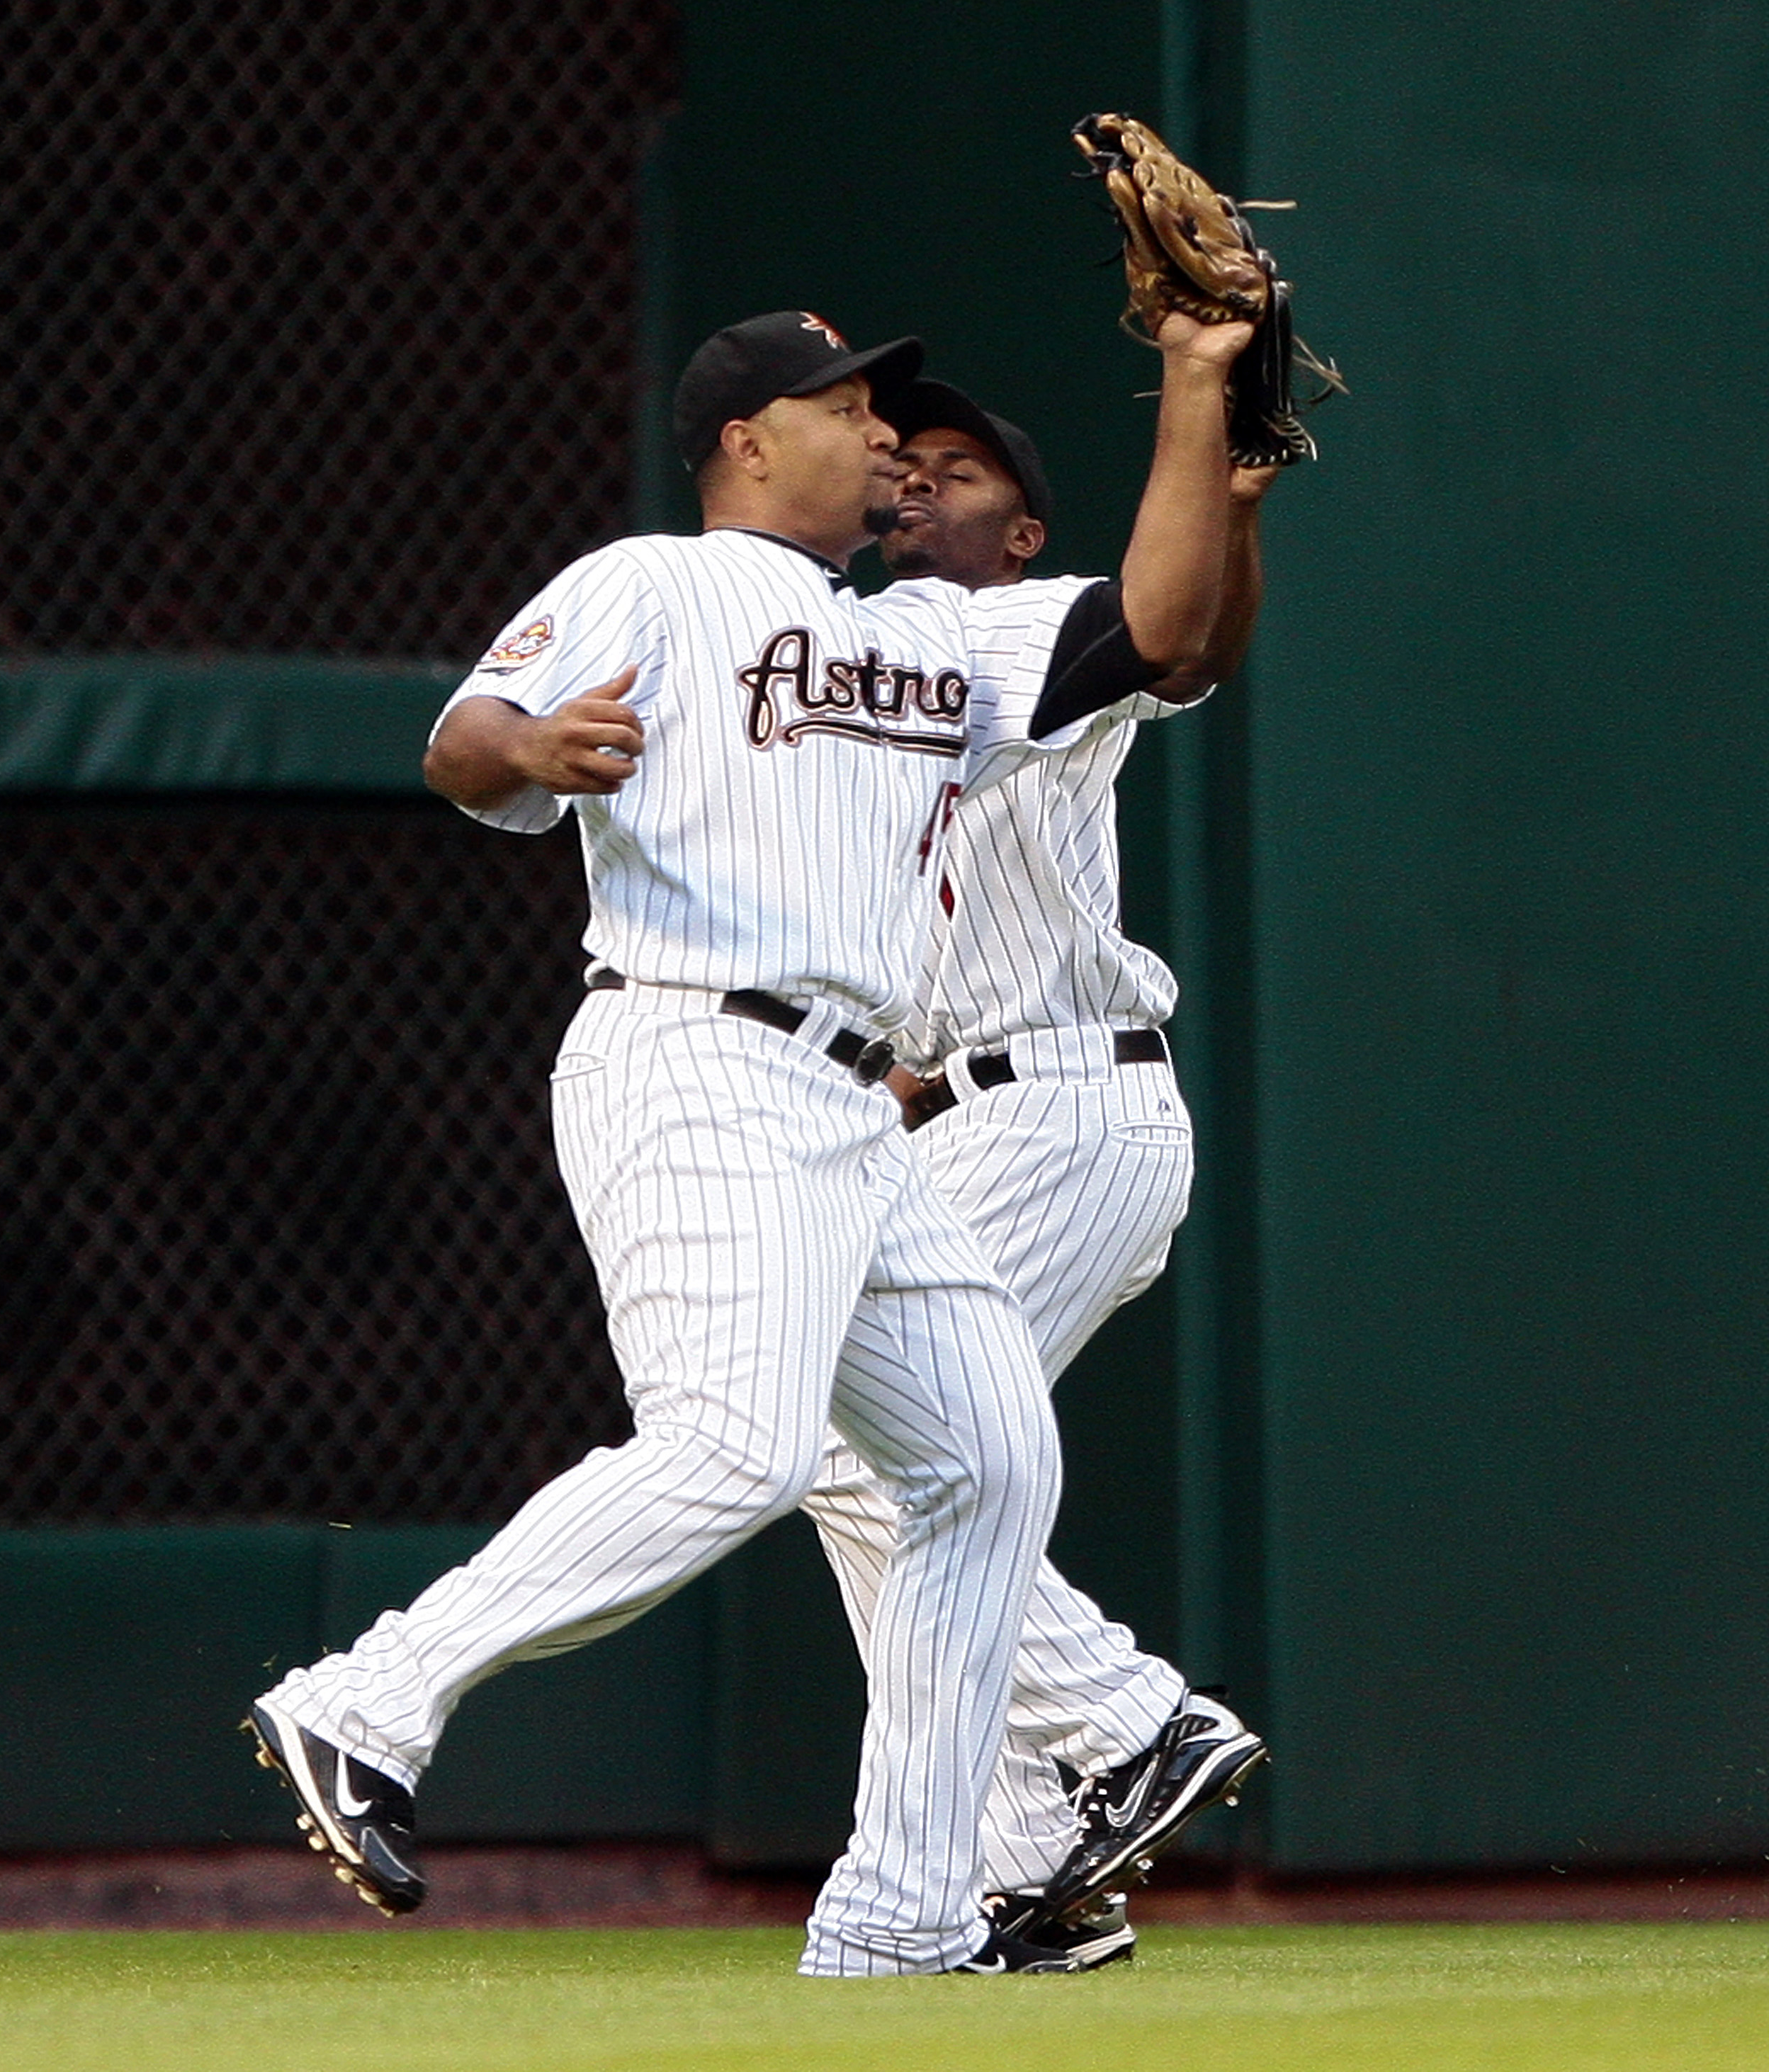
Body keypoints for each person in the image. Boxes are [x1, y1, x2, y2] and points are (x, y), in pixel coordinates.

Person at [244, 302, 1251, 1976]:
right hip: (692, 1044)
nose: (876, 435)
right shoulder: (650, 578)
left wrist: (1201, 390)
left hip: (854, 1103)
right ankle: (362, 1703)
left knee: (984, 1463)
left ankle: (907, 1913)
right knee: (735, 1444)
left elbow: (1155, 625)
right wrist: (542, 749)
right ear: (740, 439)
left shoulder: (935, 632)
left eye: (876, 409)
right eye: (841, 407)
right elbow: (462, 742)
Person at [801, 378, 1277, 1966]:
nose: (921, 484)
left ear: (1024, 530)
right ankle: (1021, 1873)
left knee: (871, 1456)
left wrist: (1206, 432)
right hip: (976, 1112)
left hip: (1064, 1101)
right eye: (904, 463)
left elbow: (1181, 633)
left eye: (961, 473)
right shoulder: (868, 670)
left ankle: (1131, 1726)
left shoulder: (1034, 626)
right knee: (888, 1479)